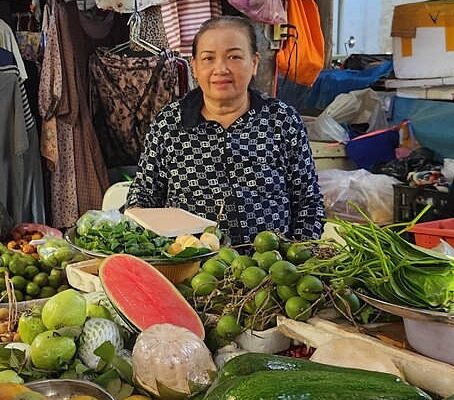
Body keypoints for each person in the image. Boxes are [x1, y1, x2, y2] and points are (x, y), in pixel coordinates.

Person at [127, 15, 324, 247]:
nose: (220, 68)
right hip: (188, 266)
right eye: (208, 58)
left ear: (254, 63)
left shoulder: (281, 120)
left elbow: (307, 201)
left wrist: (300, 256)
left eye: (234, 56)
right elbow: (145, 193)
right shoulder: (169, 123)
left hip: (272, 267)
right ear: (194, 66)